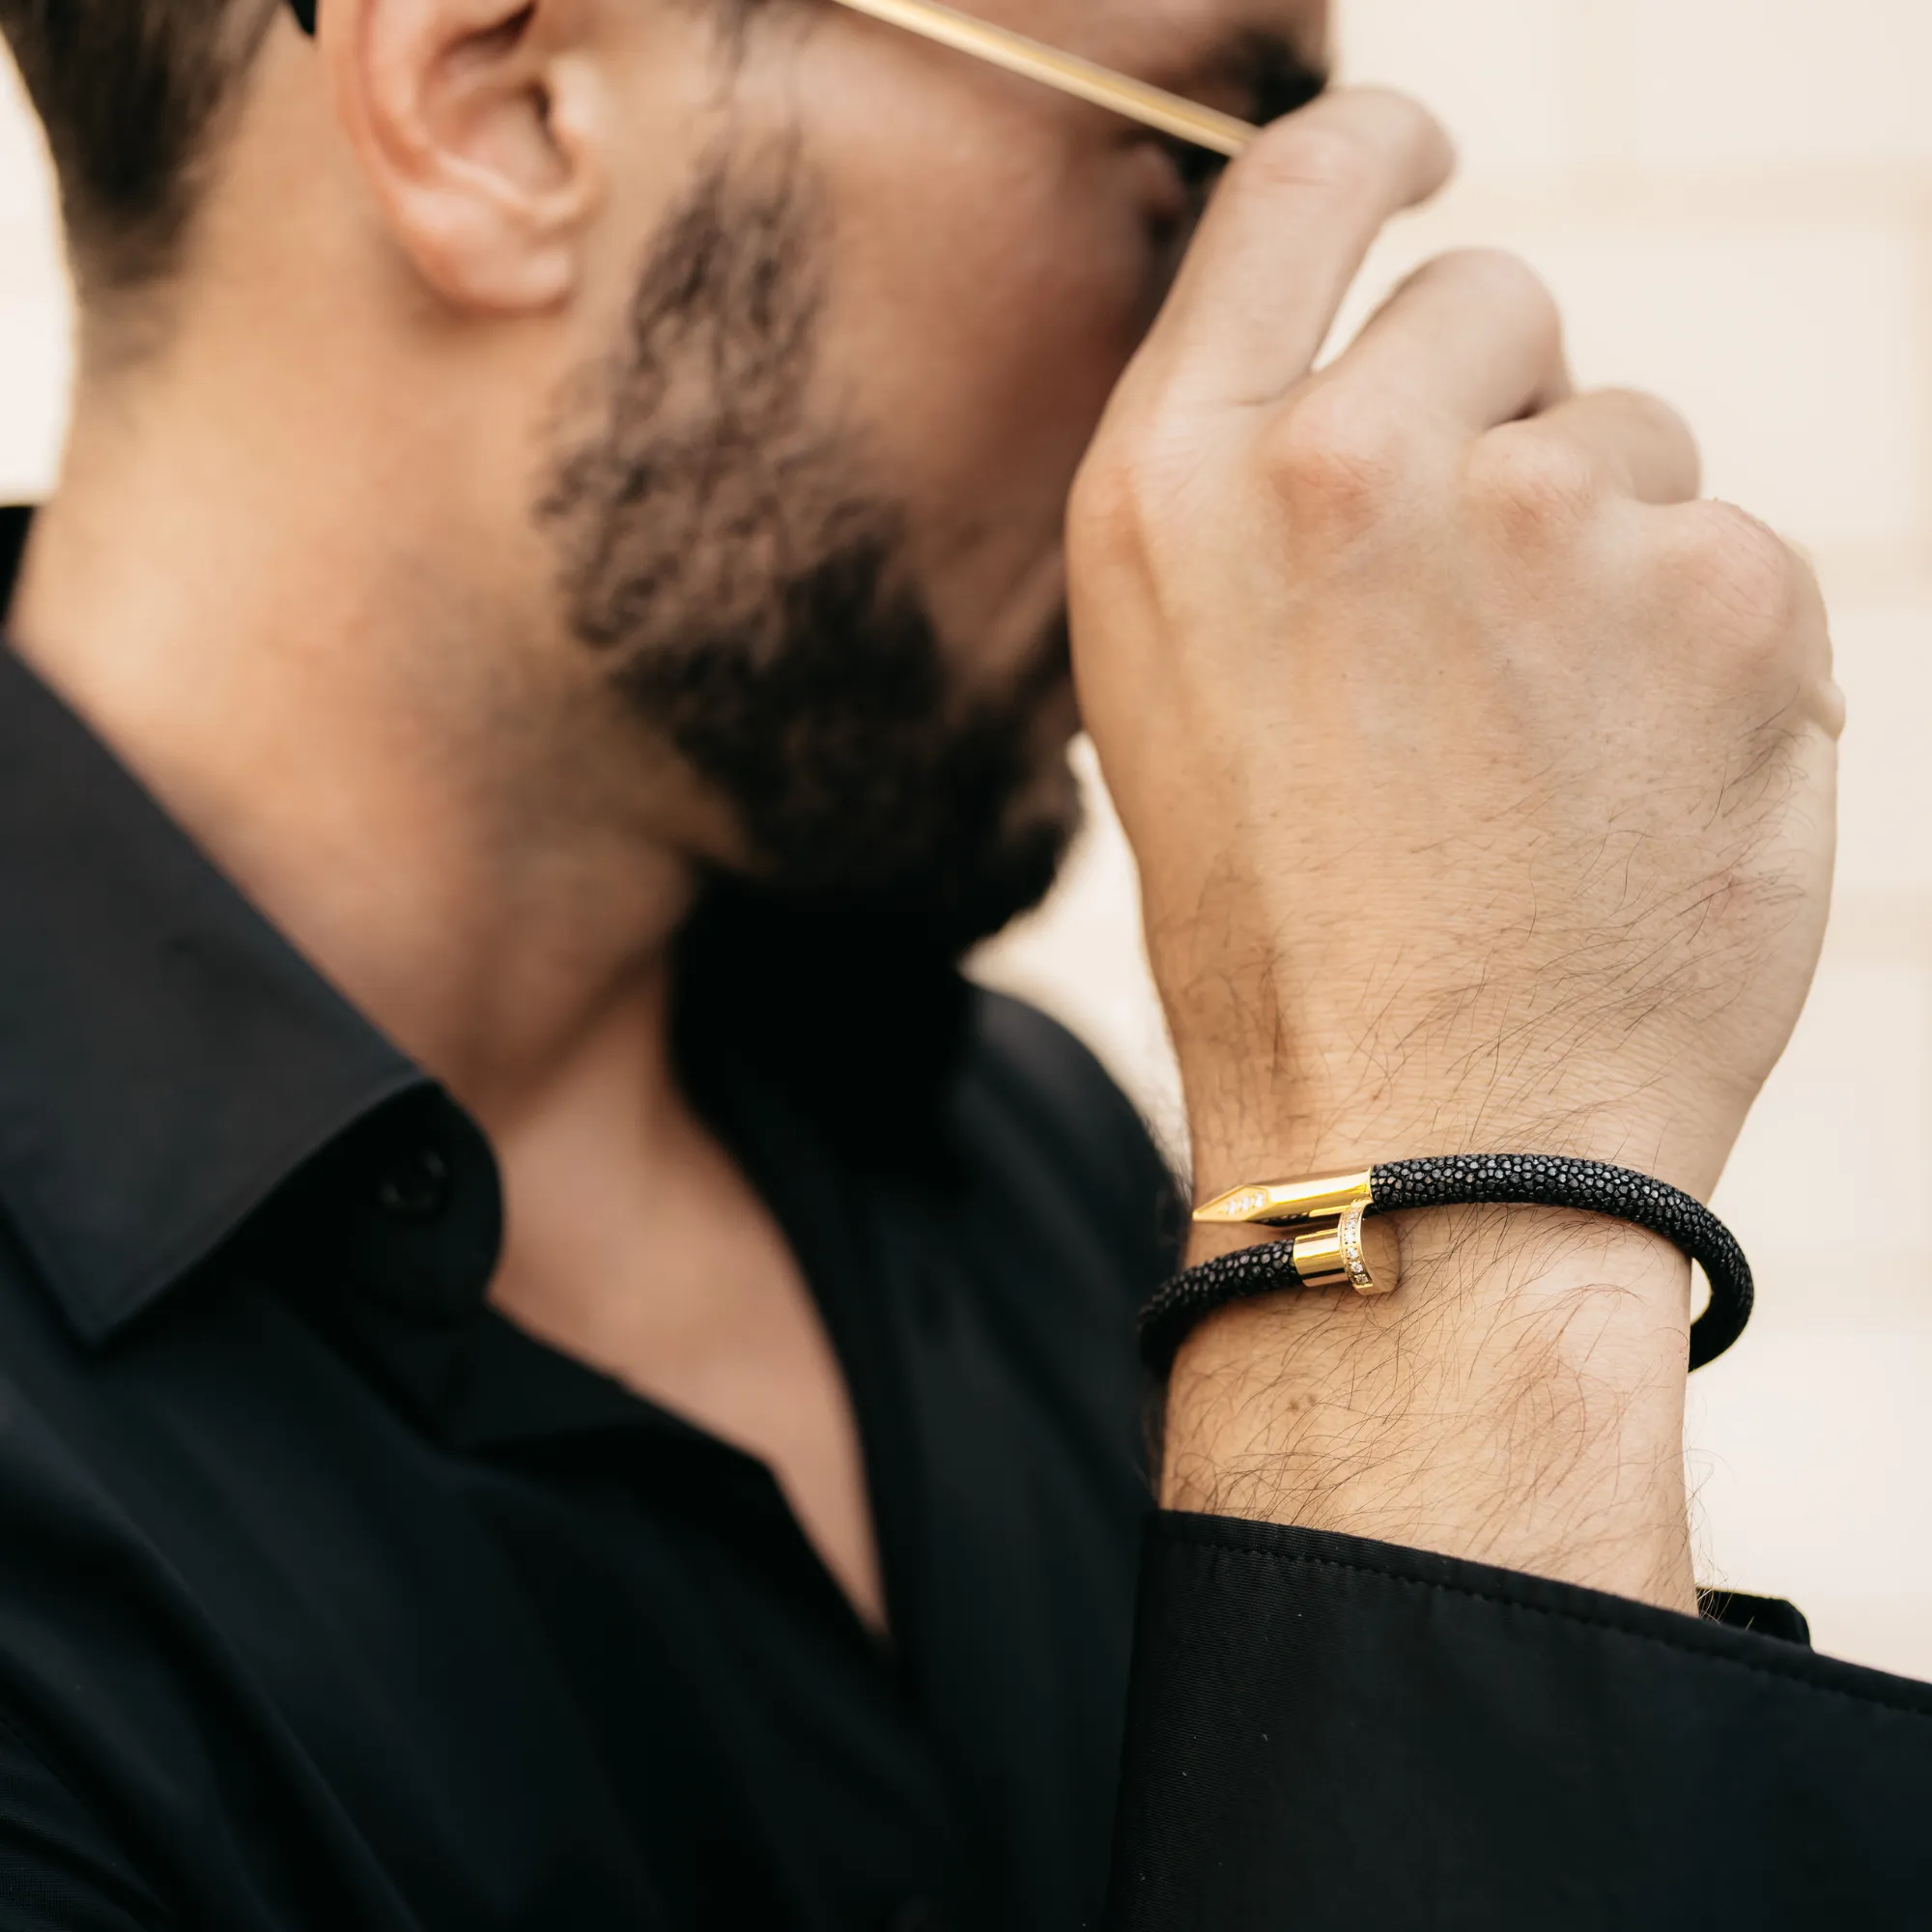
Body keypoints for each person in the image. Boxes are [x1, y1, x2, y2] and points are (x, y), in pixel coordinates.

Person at [0, 0, 1921, 1927]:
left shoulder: (1027, 1151)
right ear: (503, 105)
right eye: (1180, 169)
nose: (1270, 417)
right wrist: (1456, 1196)